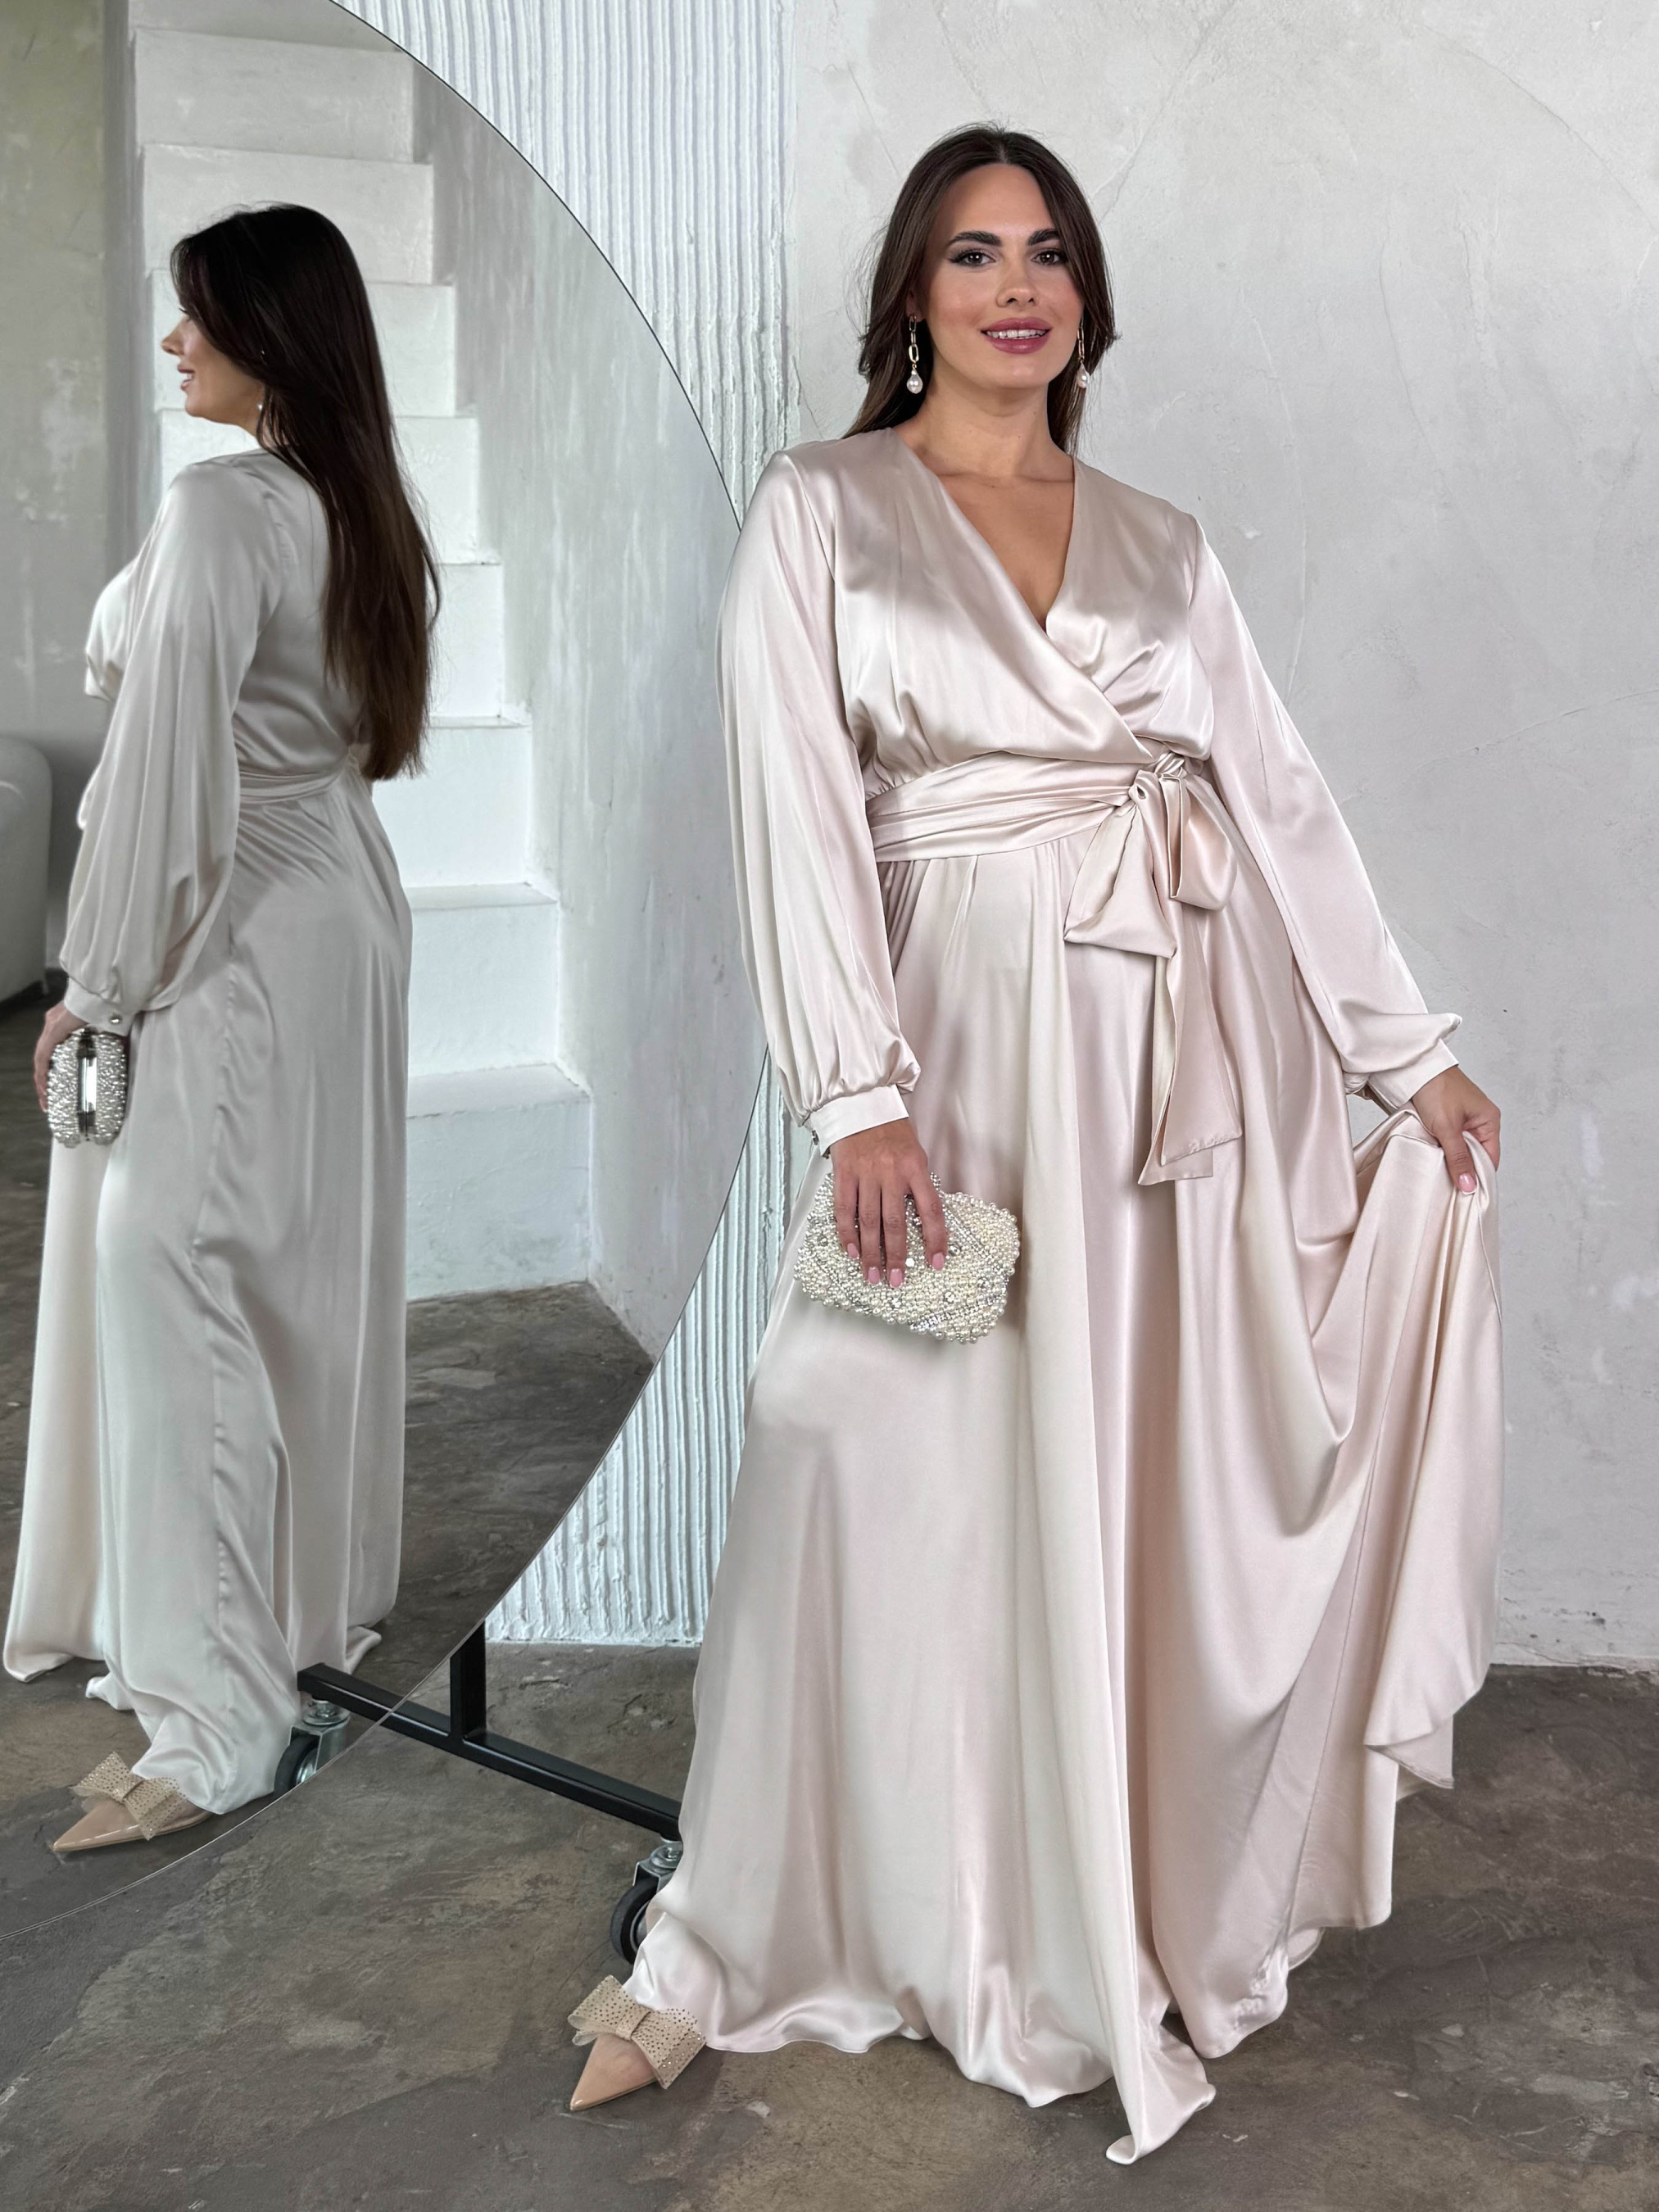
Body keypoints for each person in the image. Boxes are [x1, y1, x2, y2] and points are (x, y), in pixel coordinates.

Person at [566, 126, 1504, 2163]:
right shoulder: (820, 510)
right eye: (974, 252)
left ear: (1085, 296)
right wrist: (856, 1093)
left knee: (1123, 1465)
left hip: (1178, 1069)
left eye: (1048, 252)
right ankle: (765, 1919)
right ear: (911, 295)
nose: (1017, 287)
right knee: (868, 1456)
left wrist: (1399, 1057)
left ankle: (1116, 1890)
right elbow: (792, 809)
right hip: (958, 1057)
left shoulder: (1160, 541)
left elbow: (1278, 800)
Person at [4, 204, 437, 1853]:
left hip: (240, 924)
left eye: (199, 316)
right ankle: (284, 1611)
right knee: (281, 1274)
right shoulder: (354, 502)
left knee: (168, 1265)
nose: (175, 342)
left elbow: (170, 775)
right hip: (337, 905)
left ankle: (217, 1722)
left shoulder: (222, 507)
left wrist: (95, 985)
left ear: (271, 333)